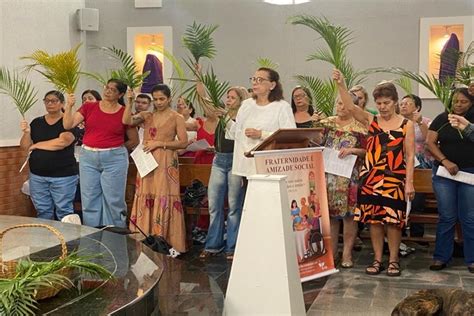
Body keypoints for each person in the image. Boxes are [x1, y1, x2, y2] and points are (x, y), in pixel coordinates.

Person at [332, 69, 415, 277]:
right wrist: (341, 84)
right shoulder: (372, 121)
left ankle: (394, 260)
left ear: (395, 102)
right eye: (379, 103)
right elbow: (350, 107)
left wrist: (409, 183)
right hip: (371, 177)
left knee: (393, 222)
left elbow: (411, 156)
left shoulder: (407, 125)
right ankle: (378, 259)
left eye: (386, 103)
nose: (382, 107)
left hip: (395, 178)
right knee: (374, 220)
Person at [63, 79, 139, 228]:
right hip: (89, 156)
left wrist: (116, 149)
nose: (108, 91)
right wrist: (69, 105)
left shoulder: (124, 111)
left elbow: (134, 140)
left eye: (113, 89)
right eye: (107, 87)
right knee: (89, 197)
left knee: (113, 199)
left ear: (120, 94)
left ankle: (115, 234)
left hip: (114, 157)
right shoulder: (89, 106)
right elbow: (68, 125)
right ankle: (92, 235)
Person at [123, 84, 188, 253]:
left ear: (169, 99)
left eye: (162, 99)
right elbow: (127, 121)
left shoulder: (176, 117)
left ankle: (166, 241)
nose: (158, 102)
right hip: (147, 160)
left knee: (163, 195)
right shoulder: (147, 115)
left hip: (166, 160)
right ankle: (144, 238)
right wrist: (129, 101)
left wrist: (161, 143)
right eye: (156, 99)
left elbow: (183, 142)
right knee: (146, 194)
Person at [314, 93, 366, 268]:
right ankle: (332, 253)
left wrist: (352, 150)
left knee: (349, 217)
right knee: (332, 217)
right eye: (338, 103)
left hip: (349, 177)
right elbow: (316, 143)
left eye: (345, 104)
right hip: (328, 175)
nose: (341, 107)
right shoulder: (327, 123)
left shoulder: (360, 127)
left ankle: (347, 254)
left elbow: (368, 151)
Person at [426, 88, 474, 273]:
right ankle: (441, 257)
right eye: (455, 101)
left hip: (470, 174)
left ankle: (471, 259)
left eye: (464, 102)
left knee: (469, 218)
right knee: (447, 216)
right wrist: (445, 161)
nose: (458, 105)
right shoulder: (442, 118)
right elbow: (430, 143)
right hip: (445, 174)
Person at [199, 86, 250, 260]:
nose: (228, 100)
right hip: (219, 160)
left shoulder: (242, 118)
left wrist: (226, 117)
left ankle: (232, 246)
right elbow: (203, 100)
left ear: (241, 101)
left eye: (232, 98)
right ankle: (213, 244)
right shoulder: (220, 115)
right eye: (227, 97)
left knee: (234, 206)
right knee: (214, 205)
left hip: (235, 161)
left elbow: (239, 137)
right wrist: (199, 78)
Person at [225, 67, 296, 179]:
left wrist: (261, 134)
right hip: (246, 166)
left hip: (271, 167)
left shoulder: (282, 107)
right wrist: (224, 119)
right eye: (253, 79)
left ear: (272, 85)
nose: (255, 83)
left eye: (260, 80)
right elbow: (236, 133)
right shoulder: (246, 105)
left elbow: (290, 138)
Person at [20, 90, 79, 221]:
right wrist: (26, 133)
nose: (50, 103)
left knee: (64, 211)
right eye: (47, 101)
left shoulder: (68, 121)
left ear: (62, 103)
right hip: (37, 175)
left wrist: (36, 145)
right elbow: (25, 147)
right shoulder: (37, 122)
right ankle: (46, 240)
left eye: (54, 101)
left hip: (63, 176)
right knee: (42, 210)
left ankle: (67, 241)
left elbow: (62, 142)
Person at [399, 94, 433, 240]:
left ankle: (417, 233)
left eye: (407, 103)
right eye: (401, 103)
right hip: (401, 162)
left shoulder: (426, 121)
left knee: (417, 198)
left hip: (420, 163)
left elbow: (429, 141)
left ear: (417, 107)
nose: (403, 106)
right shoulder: (396, 121)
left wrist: (419, 122)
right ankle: (400, 231)